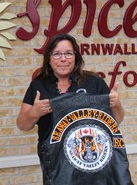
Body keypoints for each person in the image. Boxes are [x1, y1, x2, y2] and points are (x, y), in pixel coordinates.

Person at [17, 33, 133, 184]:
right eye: (57, 54)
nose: (63, 59)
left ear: (76, 56)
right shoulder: (39, 85)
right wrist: (34, 112)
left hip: (95, 167)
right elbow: (23, 124)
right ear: (49, 58)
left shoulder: (93, 82)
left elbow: (115, 121)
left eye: (68, 53)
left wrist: (116, 104)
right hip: (57, 168)